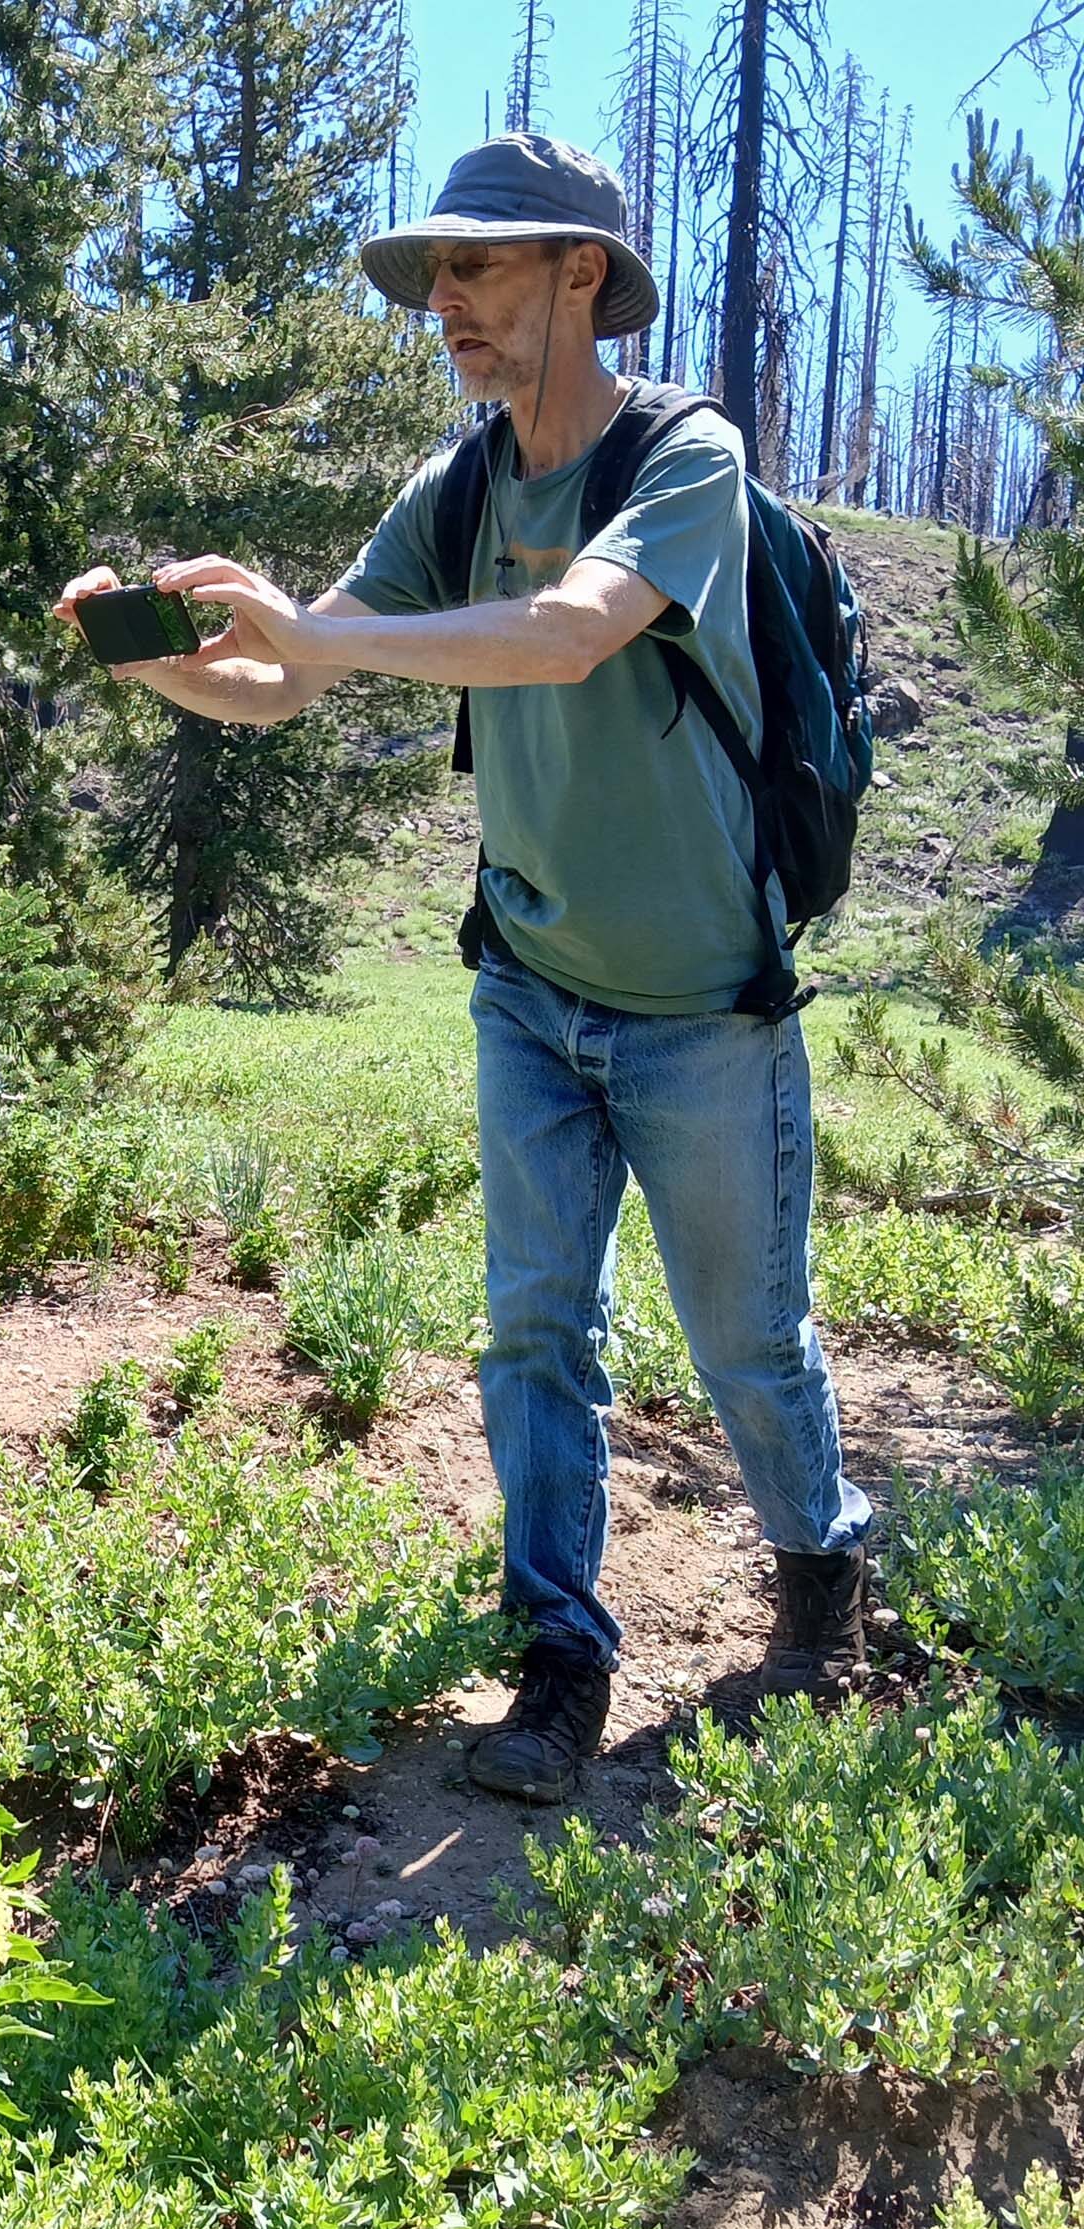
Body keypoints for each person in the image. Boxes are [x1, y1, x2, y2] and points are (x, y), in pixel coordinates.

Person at [54, 130, 871, 1806]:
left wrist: (323, 633)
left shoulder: (685, 457)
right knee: (531, 1334)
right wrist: (166, 664)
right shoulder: (466, 480)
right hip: (529, 993)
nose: (446, 300)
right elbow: (290, 683)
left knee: (749, 1343)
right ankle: (562, 1658)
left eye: (481, 266)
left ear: (586, 274)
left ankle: (824, 1591)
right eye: (437, 271)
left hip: (710, 1012)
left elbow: (571, 630)